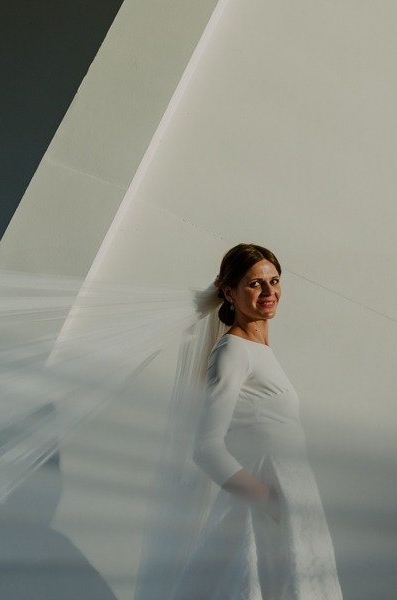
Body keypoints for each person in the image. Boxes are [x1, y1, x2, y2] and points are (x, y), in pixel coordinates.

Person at [171, 243, 343, 599]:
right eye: (254, 284)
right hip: (265, 509)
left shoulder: (259, 351)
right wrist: (266, 499)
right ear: (229, 292)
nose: (269, 292)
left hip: (292, 501)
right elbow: (205, 448)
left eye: (274, 280)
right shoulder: (233, 351)